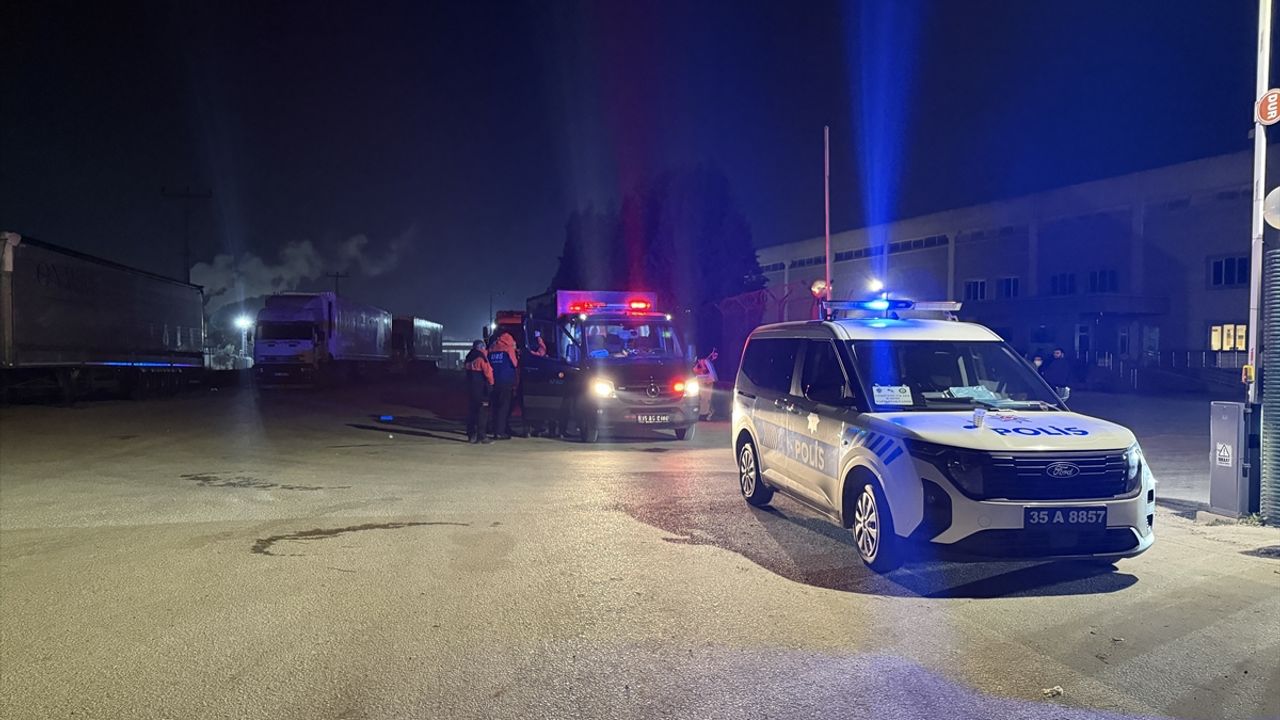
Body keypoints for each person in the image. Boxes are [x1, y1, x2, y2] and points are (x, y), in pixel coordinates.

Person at [487, 332, 519, 439]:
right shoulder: (509, 349)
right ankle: (500, 432)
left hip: (493, 382)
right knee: (503, 407)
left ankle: (495, 428)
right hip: (506, 382)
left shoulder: (492, 349)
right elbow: (515, 364)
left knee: (495, 406)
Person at [463, 340, 493, 444]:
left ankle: (471, 435)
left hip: (471, 388)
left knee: (472, 411)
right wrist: (491, 385)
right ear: (481, 347)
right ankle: (482, 436)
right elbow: (488, 373)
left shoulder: (468, 357)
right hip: (482, 389)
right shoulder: (481, 358)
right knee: (482, 413)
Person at [693, 349, 719, 420]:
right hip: (699, 381)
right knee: (701, 398)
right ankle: (702, 413)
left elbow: (712, 373)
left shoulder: (706, 361)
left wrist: (710, 379)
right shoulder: (699, 362)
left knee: (706, 399)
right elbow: (694, 370)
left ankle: (707, 413)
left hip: (705, 381)